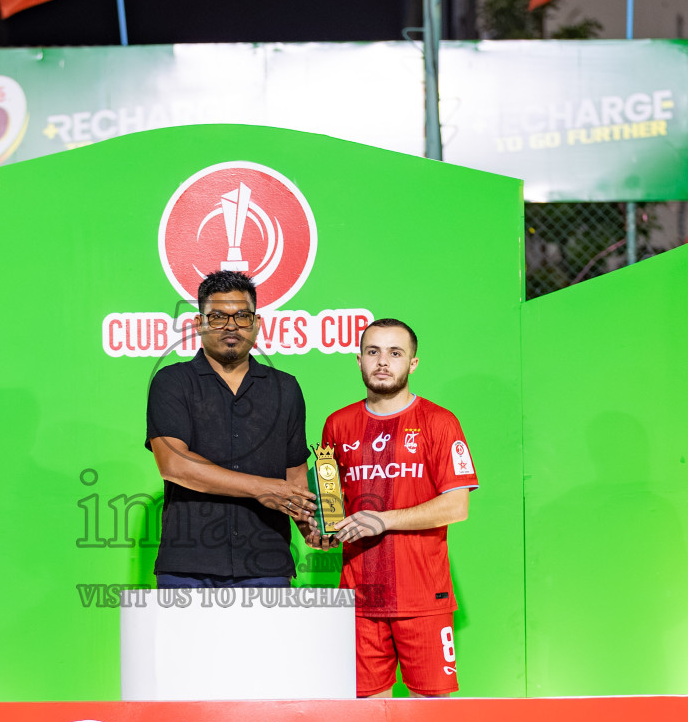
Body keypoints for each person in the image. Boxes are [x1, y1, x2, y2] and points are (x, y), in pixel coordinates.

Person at [312, 318, 477, 697]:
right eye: (373, 352)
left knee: (431, 716)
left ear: (413, 364)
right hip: (360, 598)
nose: (382, 361)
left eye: (395, 353)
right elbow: (331, 507)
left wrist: (382, 520)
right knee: (368, 718)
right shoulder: (338, 425)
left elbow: (457, 506)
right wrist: (323, 531)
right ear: (358, 360)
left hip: (423, 597)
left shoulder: (439, 422)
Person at [145, 270, 316, 587]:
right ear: (199, 324)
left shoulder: (286, 388)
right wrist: (261, 488)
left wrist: (312, 526)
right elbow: (175, 466)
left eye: (242, 316)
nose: (231, 326)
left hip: (267, 564)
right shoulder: (172, 382)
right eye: (218, 316)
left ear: (257, 323)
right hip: (189, 566)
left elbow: (295, 476)